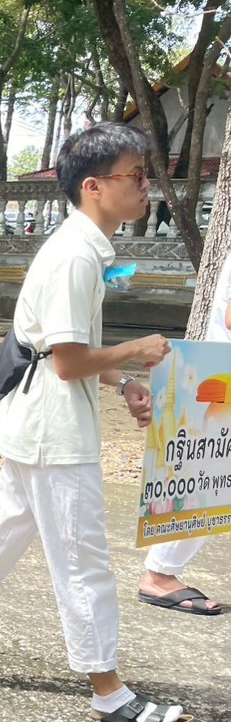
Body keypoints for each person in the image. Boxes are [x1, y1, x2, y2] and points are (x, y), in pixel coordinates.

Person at [0, 122, 193, 722]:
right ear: (95, 187)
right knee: (82, 558)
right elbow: (66, 361)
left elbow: (70, 353)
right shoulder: (75, 255)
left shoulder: (82, 249)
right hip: (52, 434)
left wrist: (123, 381)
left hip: (41, 424)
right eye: (134, 176)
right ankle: (108, 690)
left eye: (143, 175)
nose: (145, 187)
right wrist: (135, 353)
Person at [135, 249, 229, 615]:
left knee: (213, 483)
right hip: (223, 381)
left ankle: (161, 574)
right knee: (209, 484)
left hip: (220, 376)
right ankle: (159, 576)